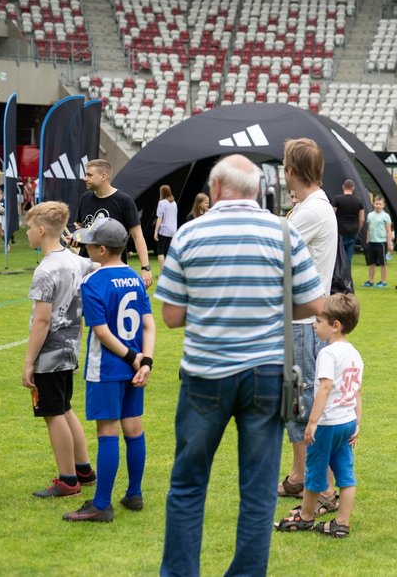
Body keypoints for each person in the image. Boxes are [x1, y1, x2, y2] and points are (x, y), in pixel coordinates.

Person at [156, 154, 325, 576]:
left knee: (188, 484)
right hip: (266, 374)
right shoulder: (283, 232)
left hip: (205, 373)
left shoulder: (190, 234)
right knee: (257, 489)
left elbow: (172, 317)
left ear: (215, 189)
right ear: (257, 190)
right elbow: (314, 303)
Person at [63, 218, 156, 523]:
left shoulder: (92, 282)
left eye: (90, 243)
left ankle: (101, 504)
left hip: (107, 367)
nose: (85, 246)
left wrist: (132, 358)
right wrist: (146, 361)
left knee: (107, 431)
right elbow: (148, 324)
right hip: (135, 365)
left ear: (101, 250)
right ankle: (134, 492)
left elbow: (101, 332)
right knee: (133, 427)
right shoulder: (133, 277)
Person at [277, 138, 338, 509]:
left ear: (290, 170)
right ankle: (301, 476)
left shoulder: (310, 211)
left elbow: (275, 257)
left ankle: (325, 489)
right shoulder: (308, 206)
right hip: (299, 319)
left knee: (307, 402)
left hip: (304, 322)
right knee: (295, 403)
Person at [22, 202, 97, 499]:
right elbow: (99, 268)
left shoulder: (45, 270)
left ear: (41, 231)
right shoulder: (74, 260)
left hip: (50, 353)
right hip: (71, 348)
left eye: (29, 228)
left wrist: (29, 362)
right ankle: (83, 470)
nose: (27, 233)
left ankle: (68, 481)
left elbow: (42, 320)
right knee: (64, 408)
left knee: (53, 413)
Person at [275, 294, 363, 537]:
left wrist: (312, 422)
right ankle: (342, 523)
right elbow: (357, 391)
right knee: (346, 476)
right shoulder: (355, 353)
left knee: (314, 473)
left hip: (327, 425)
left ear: (335, 325)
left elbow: (324, 388)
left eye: (318, 322)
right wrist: (358, 422)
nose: (314, 326)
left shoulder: (327, 354)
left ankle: (305, 516)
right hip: (347, 423)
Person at [75, 160, 153, 288]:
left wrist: (146, 267)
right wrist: (76, 238)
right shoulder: (85, 198)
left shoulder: (124, 201)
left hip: (113, 272)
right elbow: (81, 227)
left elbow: (137, 236)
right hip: (86, 271)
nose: (85, 178)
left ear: (103, 176)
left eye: (89, 175)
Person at [331, 179, 365, 271]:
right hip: (353, 231)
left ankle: (338, 278)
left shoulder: (337, 199)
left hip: (340, 231)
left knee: (338, 257)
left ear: (343, 187)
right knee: (348, 258)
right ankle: (347, 279)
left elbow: (331, 215)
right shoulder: (358, 200)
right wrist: (358, 230)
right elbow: (361, 219)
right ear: (353, 188)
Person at [363, 195, 392, 288]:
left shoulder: (386, 216)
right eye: (376, 203)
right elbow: (368, 229)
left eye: (380, 204)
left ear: (383, 205)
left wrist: (389, 243)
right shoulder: (370, 215)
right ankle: (370, 280)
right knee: (371, 263)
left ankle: (383, 282)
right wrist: (367, 240)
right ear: (373, 204)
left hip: (381, 243)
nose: (378, 205)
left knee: (383, 263)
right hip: (371, 242)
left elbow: (388, 230)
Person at [153, 185, 178, 272]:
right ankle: (169, 271)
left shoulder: (161, 203)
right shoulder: (174, 203)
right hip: (173, 230)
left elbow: (159, 218)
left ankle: (163, 272)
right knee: (168, 251)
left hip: (164, 229)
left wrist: (156, 231)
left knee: (160, 251)